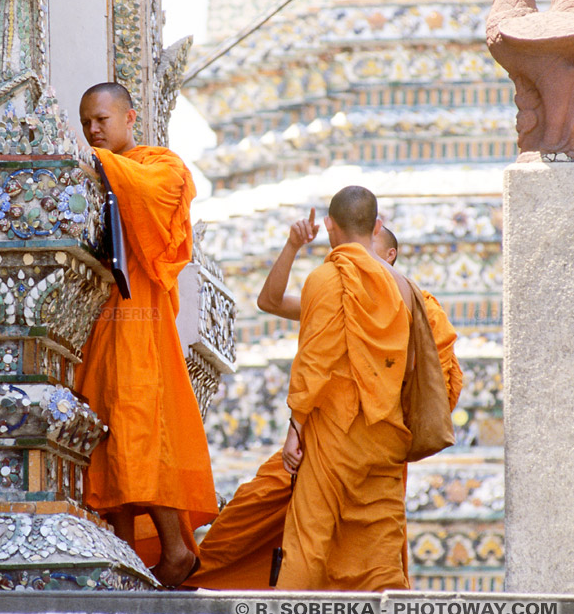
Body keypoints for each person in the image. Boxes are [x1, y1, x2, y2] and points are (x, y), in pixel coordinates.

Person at [185, 212, 463, 590]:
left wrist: (296, 425)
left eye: (368, 253)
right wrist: (292, 246)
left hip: (351, 440)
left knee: (324, 543)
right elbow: (270, 301)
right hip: (346, 437)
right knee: (268, 513)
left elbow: (424, 376)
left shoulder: (410, 301)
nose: (358, 258)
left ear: (390, 253)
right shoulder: (339, 288)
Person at [74, 82, 218, 588]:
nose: (93, 130)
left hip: (142, 317)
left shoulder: (161, 165)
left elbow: (149, 196)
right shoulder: (95, 169)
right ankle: (124, 552)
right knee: (105, 430)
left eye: (102, 120)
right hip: (103, 318)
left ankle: (176, 549)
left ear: (130, 118)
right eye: (86, 121)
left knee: (138, 428)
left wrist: (94, 161)